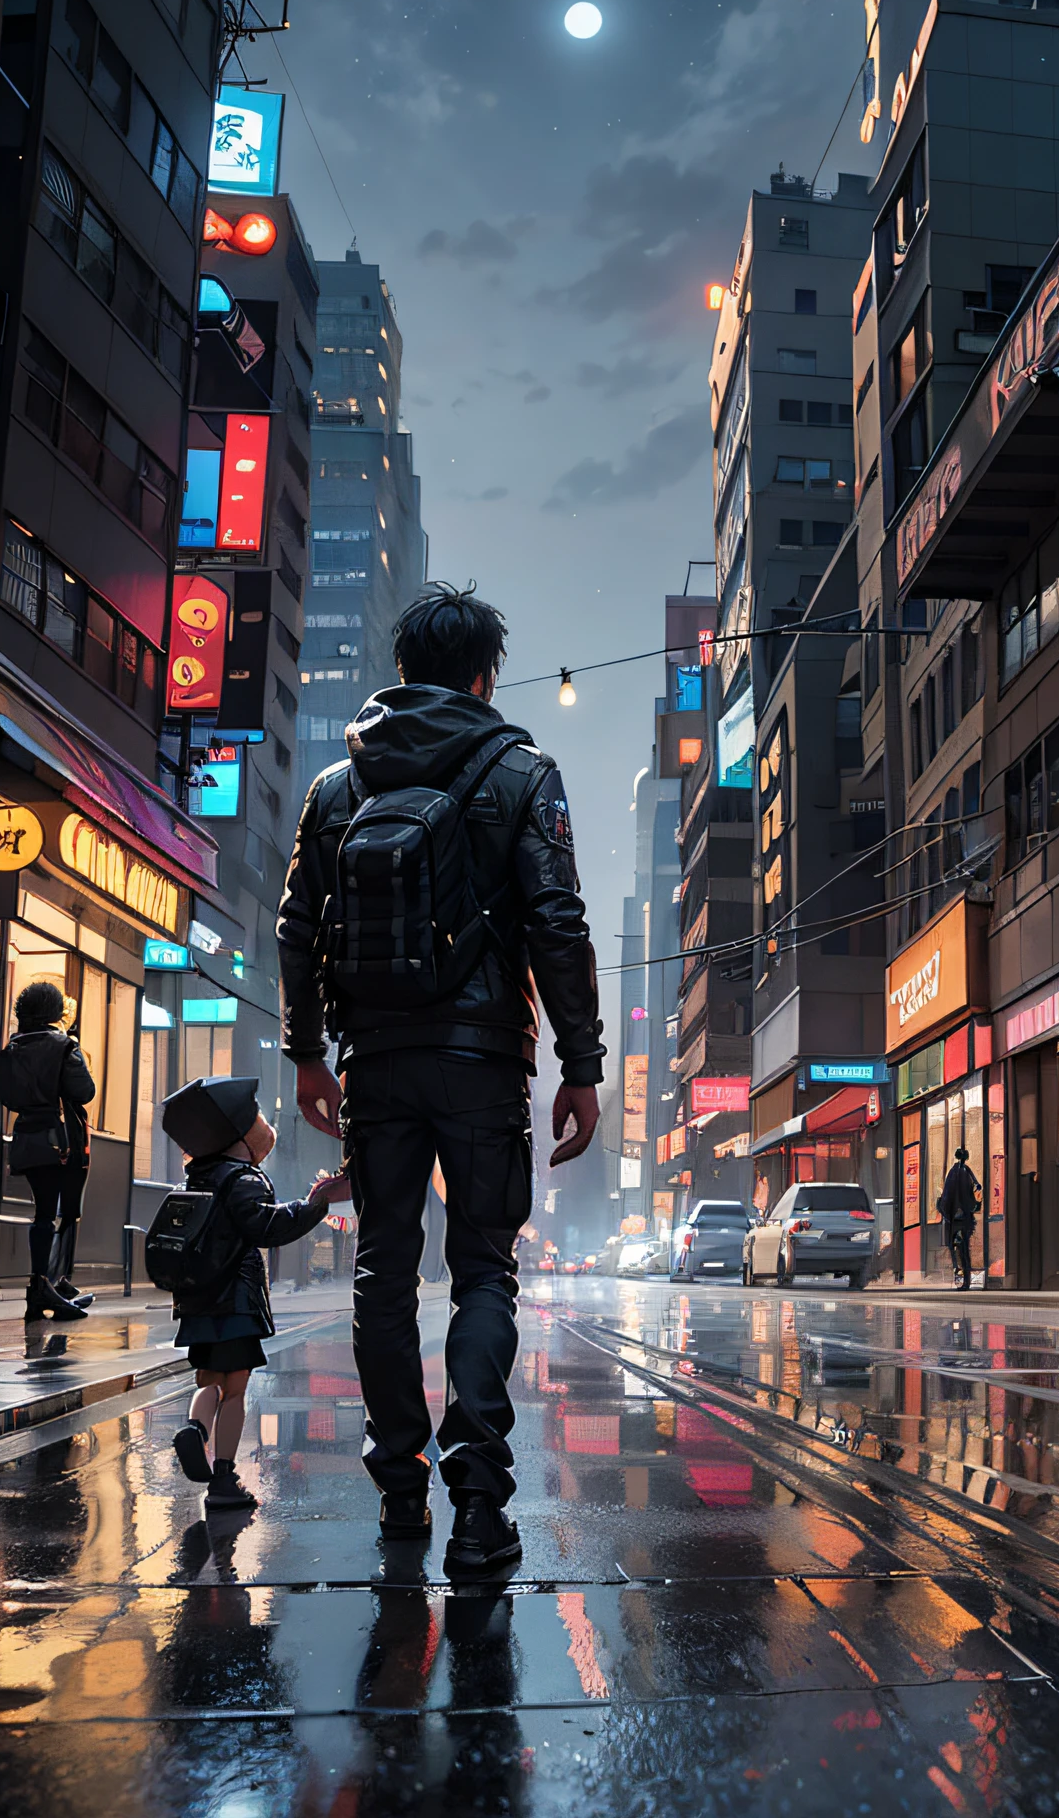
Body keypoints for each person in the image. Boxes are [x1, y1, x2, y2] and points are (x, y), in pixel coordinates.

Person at [276, 583, 604, 1576]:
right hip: (482, 1059)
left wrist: (304, 1051)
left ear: (403, 666)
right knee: (482, 1271)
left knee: (381, 1271)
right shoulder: (522, 770)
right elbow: (556, 918)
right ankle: (478, 1499)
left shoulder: (336, 787)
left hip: (372, 1060)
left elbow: (297, 925)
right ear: (483, 674)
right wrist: (580, 1066)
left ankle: (399, 1488)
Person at [160, 1075, 347, 1511]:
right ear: (240, 1137)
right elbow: (265, 1227)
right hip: (236, 1300)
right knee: (237, 1390)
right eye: (257, 1119)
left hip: (198, 1301)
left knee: (208, 1380)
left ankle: (194, 1430)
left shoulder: (198, 1176)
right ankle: (224, 1478)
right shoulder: (244, 1177)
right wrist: (315, 1203)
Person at [0, 979, 96, 1321]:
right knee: (65, 1211)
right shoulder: (65, 1046)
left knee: (42, 1211)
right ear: (55, 1011)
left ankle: (49, 1283)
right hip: (63, 1138)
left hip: (27, 1137)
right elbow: (85, 1091)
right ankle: (47, 1283)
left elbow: (4, 1094)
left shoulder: (12, 1048)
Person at [940, 1147, 981, 1291]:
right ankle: (966, 1280)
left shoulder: (953, 1172)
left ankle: (961, 1277)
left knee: (956, 1249)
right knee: (964, 1250)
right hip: (966, 1217)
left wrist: (944, 1210)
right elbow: (976, 1189)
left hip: (955, 1218)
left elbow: (946, 1196)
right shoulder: (967, 1172)